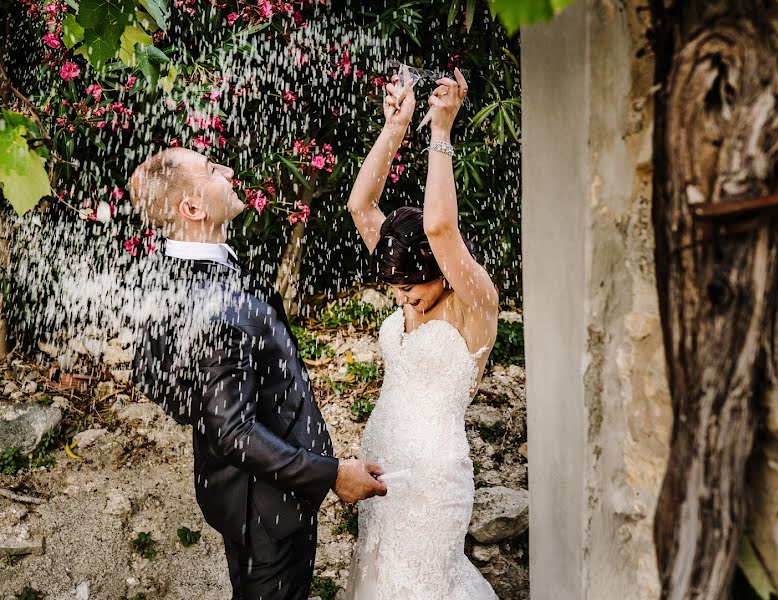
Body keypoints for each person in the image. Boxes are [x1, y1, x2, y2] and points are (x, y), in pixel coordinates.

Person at [128, 147, 387, 600]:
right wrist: (331, 474)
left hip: (254, 499)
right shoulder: (210, 300)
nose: (227, 170)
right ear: (194, 208)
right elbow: (232, 432)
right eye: (212, 169)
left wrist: (209, 408)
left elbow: (150, 373)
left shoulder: (173, 274)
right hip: (268, 511)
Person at [344, 69, 500, 599]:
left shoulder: (473, 306)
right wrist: (395, 126)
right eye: (394, 289)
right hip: (382, 471)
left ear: (443, 270)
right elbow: (360, 207)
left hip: (433, 484)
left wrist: (440, 130)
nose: (404, 297)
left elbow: (440, 229)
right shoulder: (402, 274)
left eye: (415, 286)